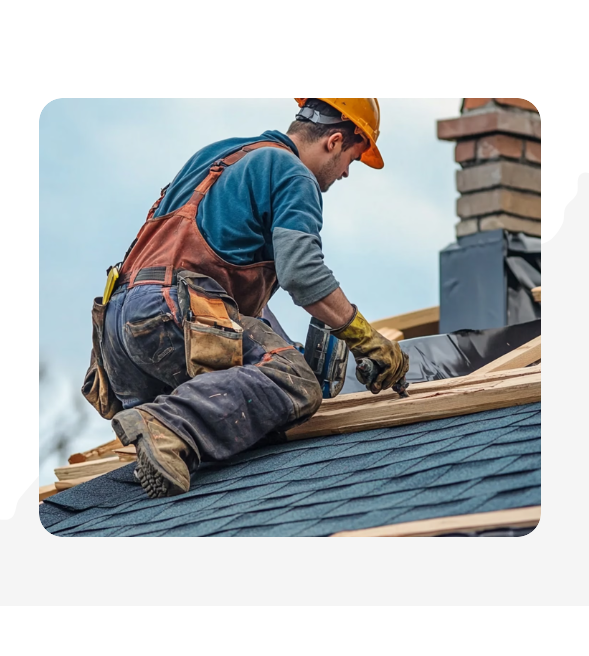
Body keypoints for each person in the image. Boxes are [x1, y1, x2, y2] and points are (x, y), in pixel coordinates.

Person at [81, 99, 410, 498]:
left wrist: (284, 349)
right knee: (295, 384)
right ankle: (169, 423)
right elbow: (302, 274)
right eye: (351, 162)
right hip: (172, 318)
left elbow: (234, 304)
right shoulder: (293, 175)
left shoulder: (219, 155)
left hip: (118, 332)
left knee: (254, 413)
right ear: (335, 140)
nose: (343, 175)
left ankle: (169, 437)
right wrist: (366, 339)